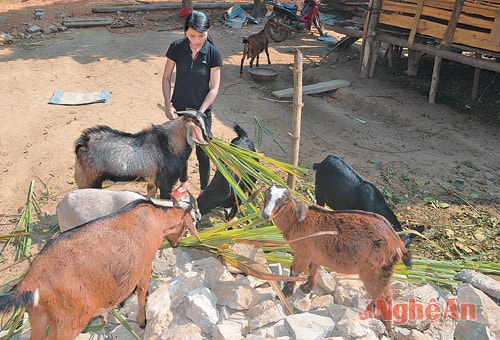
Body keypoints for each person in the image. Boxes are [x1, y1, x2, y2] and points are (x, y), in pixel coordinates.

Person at [162, 10, 223, 199]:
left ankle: (204, 190)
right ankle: (184, 182)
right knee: (181, 149)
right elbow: (165, 78)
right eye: (191, 35)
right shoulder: (176, 47)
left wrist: (201, 113)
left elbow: (214, 88)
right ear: (185, 31)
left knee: (202, 151)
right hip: (179, 110)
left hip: (201, 113)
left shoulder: (213, 53)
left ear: (208, 30)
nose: (196, 40)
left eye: (201, 35)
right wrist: (168, 104)